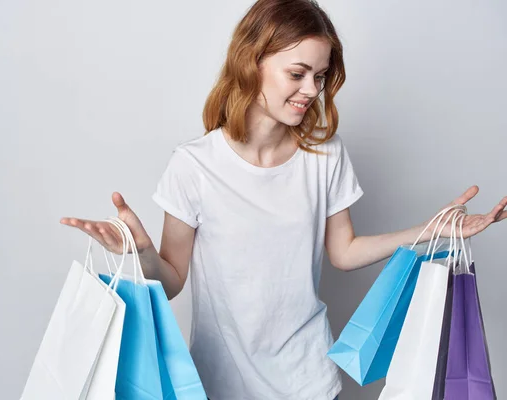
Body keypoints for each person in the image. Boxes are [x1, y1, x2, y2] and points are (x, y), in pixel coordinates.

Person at [61, 0, 507, 398]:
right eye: (297, 74)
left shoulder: (325, 156)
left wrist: (433, 230)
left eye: (320, 75)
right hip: (220, 383)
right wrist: (140, 252)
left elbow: (344, 252)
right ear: (251, 63)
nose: (312, 90)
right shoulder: (194, 166)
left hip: (309, 379)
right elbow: (173, 279)